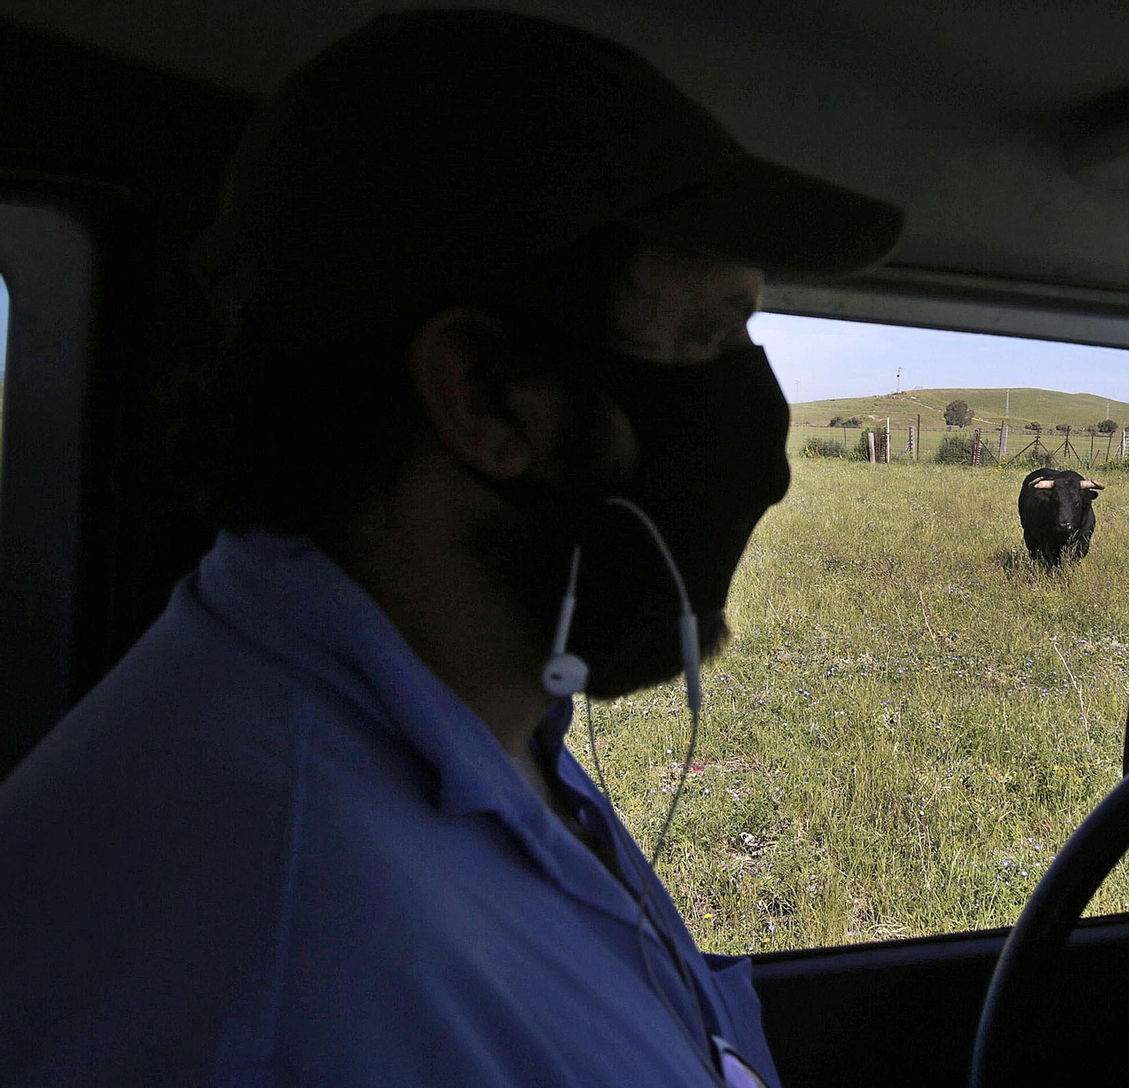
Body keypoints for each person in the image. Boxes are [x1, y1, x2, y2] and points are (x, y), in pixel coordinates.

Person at [0, 10, 901, 1086]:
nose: (763, 435)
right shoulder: (299, 967)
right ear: (484, 393)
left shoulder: (452, 708)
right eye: (707, 335)